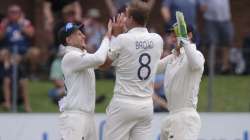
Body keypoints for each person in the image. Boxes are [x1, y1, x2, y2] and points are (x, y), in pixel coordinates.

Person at [101, 0, 163, 139]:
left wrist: (115, 36)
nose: (122, 18)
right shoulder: (157, 40)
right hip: (146, 105)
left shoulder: (123, 39)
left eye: (125, 15)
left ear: (131, 19)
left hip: (124, 103)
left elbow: (103, 64)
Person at [58, 21, 112, 140]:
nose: (84, 36)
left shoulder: (82, 55)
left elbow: (104, 63)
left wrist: (116, 40)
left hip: (88, 116)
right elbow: (99, 59)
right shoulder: (70, 56)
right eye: (78, 34)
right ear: (69, 40)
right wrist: (107, 37)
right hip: (75, 117)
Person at [158, 22, 204, 139]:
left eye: (176, 35)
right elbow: (151, 68)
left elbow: (197, 64)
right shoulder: (172, 57)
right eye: (171, 35)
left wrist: (185, 42)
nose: (173, 39)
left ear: (189, 35)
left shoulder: (196, 55)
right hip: (171, 116)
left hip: (186, 117)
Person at [200, 0, 234, 73]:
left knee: (227, 42)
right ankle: (210, 67)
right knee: (211, 43)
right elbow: (202, 7)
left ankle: (225, 67)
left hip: (226, 19)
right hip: (210, 20)